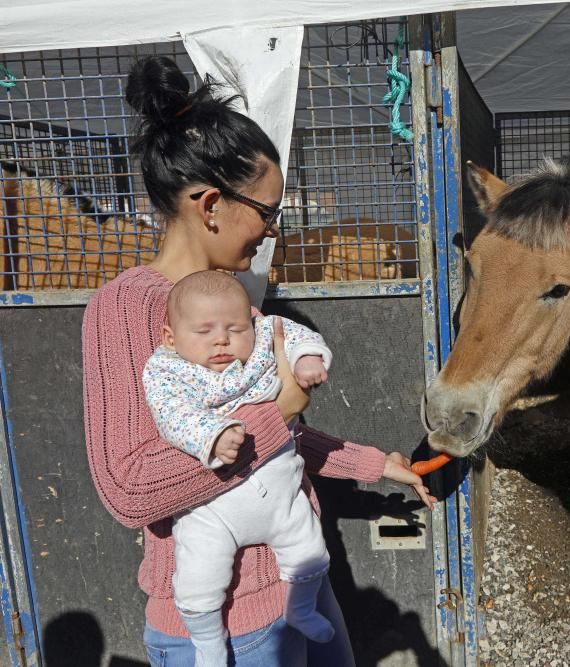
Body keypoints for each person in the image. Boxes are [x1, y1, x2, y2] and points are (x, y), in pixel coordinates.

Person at [82, 55, 432, 666]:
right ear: (211, 203)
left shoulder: (237, 303)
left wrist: (373, 463)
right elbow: (127, 489)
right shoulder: (126, 310)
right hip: (221, 624)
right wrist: (278, 412)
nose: (272, 231)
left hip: (299, 588)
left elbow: (278, 431)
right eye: (267, 212)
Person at [144, 270, 359, 666]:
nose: (222, 339)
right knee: (198, 577)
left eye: (234, 328)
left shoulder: (261, 338)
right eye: (204, 331)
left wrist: (308, 357)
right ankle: (208, 643)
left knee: (310, 550)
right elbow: (171, 415)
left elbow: (293, 335)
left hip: (281, 496)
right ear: (171, 338)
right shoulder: (168, 370)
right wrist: (212, 434)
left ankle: (302, 608)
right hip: (212, 510)